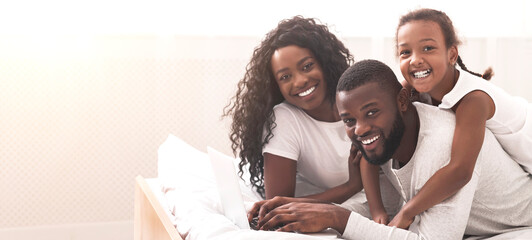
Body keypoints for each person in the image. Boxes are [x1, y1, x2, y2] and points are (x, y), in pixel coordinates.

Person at [248, 59, 532, 239]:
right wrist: (294, 210)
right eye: (349, 120)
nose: (359, 129)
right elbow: (381, 206)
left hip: (519, 221)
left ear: (401, 102)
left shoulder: (441, 144)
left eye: (371, 113)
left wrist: (337, 218)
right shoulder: (388, 138)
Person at [361, 8, 532, 229]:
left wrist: (408, 211)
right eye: (405, 52)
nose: (415, 60)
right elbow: (368, 147)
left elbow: (460, 171)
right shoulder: (408, 91)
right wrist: (377, 210)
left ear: (452, 54)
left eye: (428, 48)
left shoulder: (473, 100)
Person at [223, 16, 363, 203]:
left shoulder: (361, 99)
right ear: (275, 85)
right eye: (285, 76)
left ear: (324, 62)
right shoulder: (284, 118)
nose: (299, 81)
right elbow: (278, 204)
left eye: (307, 66)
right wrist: (350, 187)